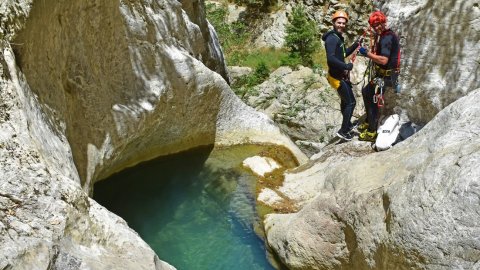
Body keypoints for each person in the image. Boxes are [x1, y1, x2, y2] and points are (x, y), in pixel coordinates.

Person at [357, 11, 401, 142]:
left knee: (372, 99)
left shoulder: (387, 38)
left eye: (378, 24)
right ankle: (368, 120)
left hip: (385, 77)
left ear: (383, 23)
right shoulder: (383, 35)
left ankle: (371, 131)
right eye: (374, 25)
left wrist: (367, 54)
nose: (376, 27)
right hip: (382, 75)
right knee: (366, 92)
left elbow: (383, 60)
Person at [322, 10, 360, 141]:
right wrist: (346, 66)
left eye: (344, 23)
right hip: (337, 77)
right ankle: (344, 130)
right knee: (351, 102)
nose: (341, 25)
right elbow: (331, 59)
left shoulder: (337, 37)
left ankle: (347, 125)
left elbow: (342, 54)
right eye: (339, 22)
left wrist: (356, 45)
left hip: (336, 75)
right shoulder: (332, 39)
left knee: (345, 101)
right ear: (333, 22)